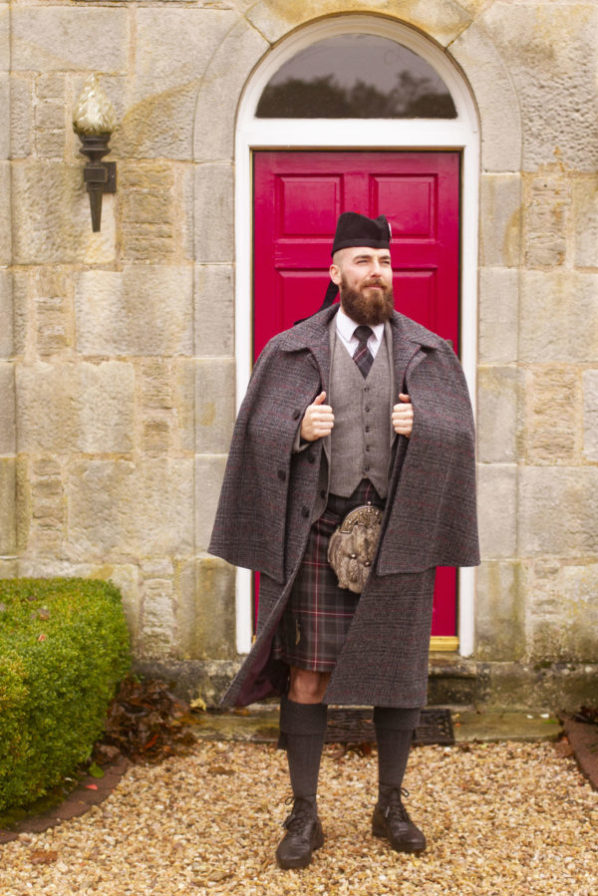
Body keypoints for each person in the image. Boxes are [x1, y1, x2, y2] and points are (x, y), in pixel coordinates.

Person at [209, 211, 479, 869]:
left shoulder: (429, 350)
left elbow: (463, 437)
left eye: (384, 262)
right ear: (334, 271)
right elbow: (253, 433)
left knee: (401, 675)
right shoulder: (291, 348)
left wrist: (430, 429)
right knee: (308, 675)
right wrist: (297, 429)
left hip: (397, 532)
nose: (376, 273)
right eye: (362, 261)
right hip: (320, 529)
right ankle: (305, 812)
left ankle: (390, 804)